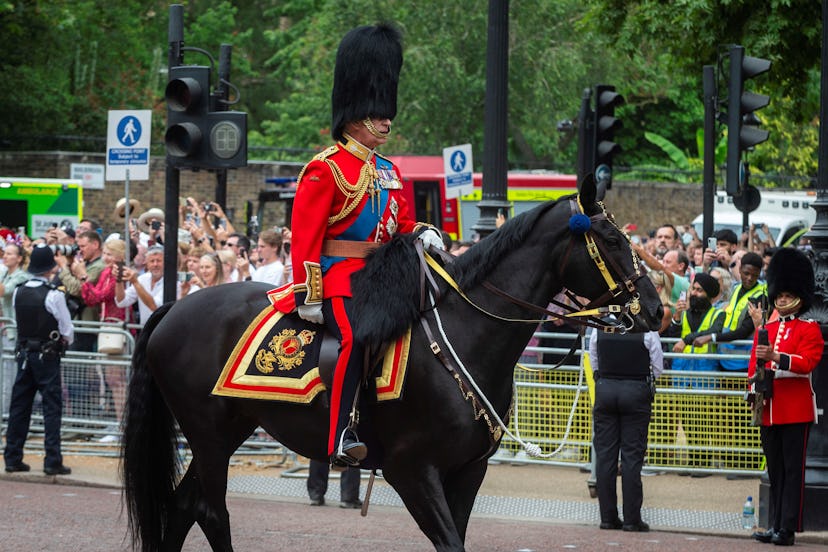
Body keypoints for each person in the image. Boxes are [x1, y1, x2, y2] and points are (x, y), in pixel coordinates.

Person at [272, 23, 444, 468]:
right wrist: (309, 293)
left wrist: (421, 231)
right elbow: (306, 239)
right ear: (355, 112)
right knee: (356, 337)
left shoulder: (388, 170)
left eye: (388, 112)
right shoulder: (324, 169)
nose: (387, 120)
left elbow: (401, 222)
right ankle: (341, 433)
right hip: (339, 277)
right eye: (379, 112)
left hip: (383, 275)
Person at [749, 248, 823, 547]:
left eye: (786, 294)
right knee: (775, 469)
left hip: (794, 409)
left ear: (799, 296)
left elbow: (807, 363)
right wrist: (753, 390)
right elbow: (754, 366)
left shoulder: (810, 328)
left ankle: (788, 528)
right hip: (769, 408)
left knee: (793, 471)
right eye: (778, 294)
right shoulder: (765, 328)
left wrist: (777, 356)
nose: (781, 299)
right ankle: (774, 524)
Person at [3, 244, 73, 475]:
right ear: (50, 268)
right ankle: (52, 460)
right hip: (47, 356)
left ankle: (12, 457)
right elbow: (67, 331)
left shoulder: (19, 292)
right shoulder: (53, 294)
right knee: (51, 409)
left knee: (19, 406)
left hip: (24, 355)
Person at [589, 318, 663, 533]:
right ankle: (632, 519)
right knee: (632, 457)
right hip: (636, 390)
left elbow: (594, 359)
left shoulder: (601, 327)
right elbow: (657, 366)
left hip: (605, 388)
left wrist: (603, 378)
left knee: (605, 456)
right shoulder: (647, 329)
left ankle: (608, 518)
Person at [668, 272, 724, 474]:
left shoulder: (718, 314)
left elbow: (712, 331)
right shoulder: (685, 312)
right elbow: (673, 337)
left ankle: (704, 461)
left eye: (700, 290)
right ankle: (693, 459)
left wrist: (688, 339)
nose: (694, 293)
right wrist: (675, 317)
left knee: (702, 419)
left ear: (709, 295)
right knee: (687, 419)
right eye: (694, 289)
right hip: (683, 373)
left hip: (705, 372)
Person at [80, 239, 129, 441]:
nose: (106, 257)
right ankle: (120, 424)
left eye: (109, 254)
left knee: (117, 380)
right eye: (106, 253)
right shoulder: (107, 272)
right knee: (112, 379)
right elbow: (91, 298)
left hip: (116, 327)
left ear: (119, 255)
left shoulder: (117, 273)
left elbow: (100, 295)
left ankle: (122, 427)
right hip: (108, 325)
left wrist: (83, 277)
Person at [695, 252, 765, 373]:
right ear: (740, 269)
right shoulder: (735, 288)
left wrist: (712, 337)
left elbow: (744, 331)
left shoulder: (760, 296)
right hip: (724, 358)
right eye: (746, 273)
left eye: (755, 275)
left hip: (743, 361)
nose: (750, 278)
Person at [115, 245, 167, 327]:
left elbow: (155, 307)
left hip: (162, 329)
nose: (155, 264)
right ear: (146, 263)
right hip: (145, 329)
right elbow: (121, 302)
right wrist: (119, 279)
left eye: (159, 261)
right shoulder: (143, 278)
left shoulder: (172, 281)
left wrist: (135, 282)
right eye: (152, 261)